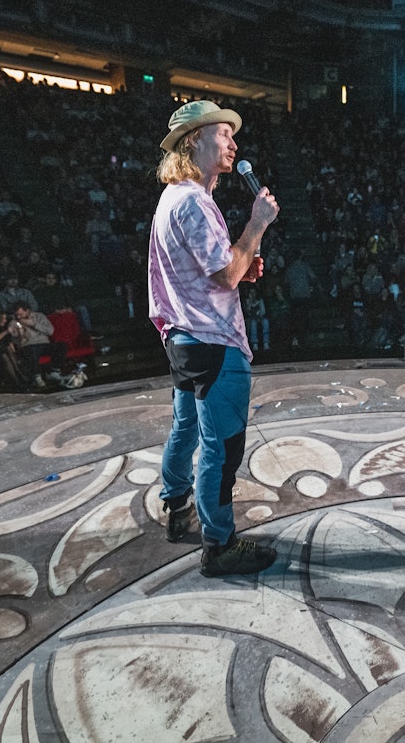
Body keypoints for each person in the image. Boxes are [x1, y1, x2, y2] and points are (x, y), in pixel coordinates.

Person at [148, 100, 280, 578]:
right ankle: (219, 544)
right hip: (212, 339)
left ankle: (175, 502)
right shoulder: (193, 203)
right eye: (224, 135)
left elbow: (212, 271)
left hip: (183, 336)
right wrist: (257, 224)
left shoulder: (172, 199)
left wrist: (242, 266)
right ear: (193, 143)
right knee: (221, 445)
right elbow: (223, 274)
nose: (234, 144)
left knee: (184, 427)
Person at [8, 304, 66, 388]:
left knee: (61, 346)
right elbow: (15, 342)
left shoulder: (39, 316)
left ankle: (53, 372)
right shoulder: (13, 323)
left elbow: (50, 331)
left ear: (26, 310)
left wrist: (33, 324)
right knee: (31, 350)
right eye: (16, 314)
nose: (18, 316)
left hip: (44, 343)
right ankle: (37, 377)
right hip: (28, 345)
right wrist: (19, 334)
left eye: (20, 314)